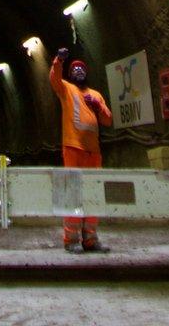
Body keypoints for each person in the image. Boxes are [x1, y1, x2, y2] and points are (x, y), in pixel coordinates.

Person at [49, 47, 113, 253]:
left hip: (93, 152)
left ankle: (90, 239)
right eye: (75, 69)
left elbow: (108, 120)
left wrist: (98, 106)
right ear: (70, 74)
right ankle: (71, 240)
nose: (78, 71)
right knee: (73, 194)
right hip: (73, 148)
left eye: (81, 69)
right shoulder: (66, 89)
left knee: (93, 193)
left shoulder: (96, 95)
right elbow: (54, 79)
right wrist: (58, 60)